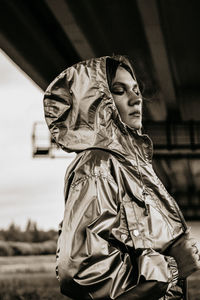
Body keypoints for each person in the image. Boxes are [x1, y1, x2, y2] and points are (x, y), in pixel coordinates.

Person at [43, 55, 200, 300]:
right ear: (95, 101)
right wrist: (171, 267)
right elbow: (79, 269)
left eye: (136, 90)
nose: (137, 99)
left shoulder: (133, 166)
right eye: (119, 90)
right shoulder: (98, 165)